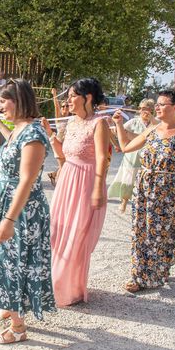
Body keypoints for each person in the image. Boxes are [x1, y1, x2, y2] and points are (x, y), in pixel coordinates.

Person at [0, 79, 55, 344]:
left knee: (17, 262)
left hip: (23, 210)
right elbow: (12, 141)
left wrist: (9, 219)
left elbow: (27, 180)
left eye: (4, 101)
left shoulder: (34, 134)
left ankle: (18, 327)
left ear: (19, 101)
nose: (0, 106)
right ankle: (11, 303)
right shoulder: (19, 129)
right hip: (5, 201)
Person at [113, 90, 175, 292]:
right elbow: (125, 146)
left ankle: (159, 269)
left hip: (170, 191)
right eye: (157, 103)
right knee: (141, 231)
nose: (157, 107)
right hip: (145, 187)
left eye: (162, 104)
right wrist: (119, 124)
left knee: (165, 234)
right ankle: (139, 276)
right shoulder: (152, 130)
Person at [47, 78, 110, 307]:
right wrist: (50, 135)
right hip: (67, 180)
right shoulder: (71, 123)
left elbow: (103, 158)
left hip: (87, 182)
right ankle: (53, 282)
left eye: (73, 95)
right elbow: (63, 155)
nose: (68, 100)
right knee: (57, 231)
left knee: (76, 235)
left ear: (88, 98)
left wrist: (97, 188)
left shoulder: (99, 123)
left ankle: (69, 288)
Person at [108, 99, 157, 212]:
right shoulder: (133, 121)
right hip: (132, 156)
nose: (141, 111)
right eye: (140, 108)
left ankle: (142, 204)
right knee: (128, 179)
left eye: (144, 108)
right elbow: (119, 131)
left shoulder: (156, 123)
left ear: (151, 110)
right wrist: (116, 126)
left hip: (147, 159)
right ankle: (124, 201)